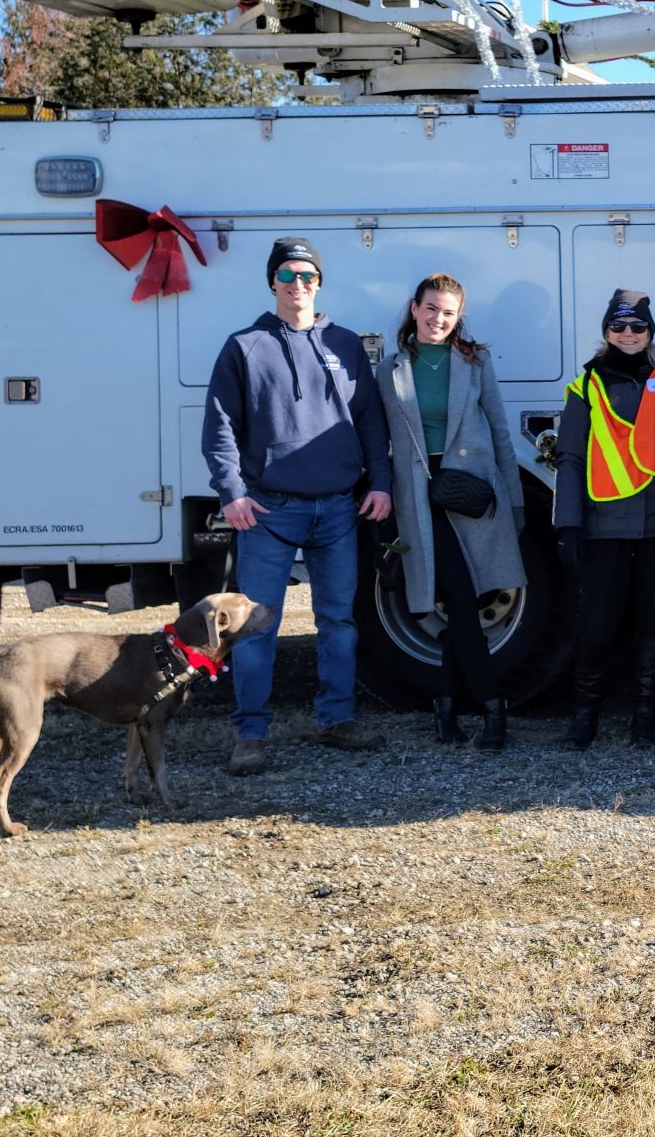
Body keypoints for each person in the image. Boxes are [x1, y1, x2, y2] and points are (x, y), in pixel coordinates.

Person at [201, 237, 393, 773]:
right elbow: (220, 427)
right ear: (271, 282)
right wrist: (232, 493)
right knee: (256, 625)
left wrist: (379, 482)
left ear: (320, 283)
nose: (298, 284)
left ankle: (337, 720)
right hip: (268, 511)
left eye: (308, 275)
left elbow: (372, 423)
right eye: (287, 274)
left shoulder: (347, 344)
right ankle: (251, 735)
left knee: (339, 621)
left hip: (338, 507)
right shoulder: (244, 346)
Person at [376, 273, 527, 751]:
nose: (438, 319)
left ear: (458, 317)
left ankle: (447, 707)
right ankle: (492, 707)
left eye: (449, 312)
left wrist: (515, 500)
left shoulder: (474, 360)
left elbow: (501, 432)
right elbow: (379, 438)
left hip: (471, 492)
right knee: (460, 602)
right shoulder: (391, 367)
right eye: (431, 308)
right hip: (420, 498)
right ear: (414, 307)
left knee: (464, 605)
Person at [554, 288, 655, 749]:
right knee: (596, 624)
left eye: (638, 327)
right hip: (604, 526)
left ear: (650, 332)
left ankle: (644, 722)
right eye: (619, 326)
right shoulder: (585, 387)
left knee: (654, 623)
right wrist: (569, 525)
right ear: (606, 332)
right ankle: (585, 720)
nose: (629, 334)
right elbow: (570, 458)